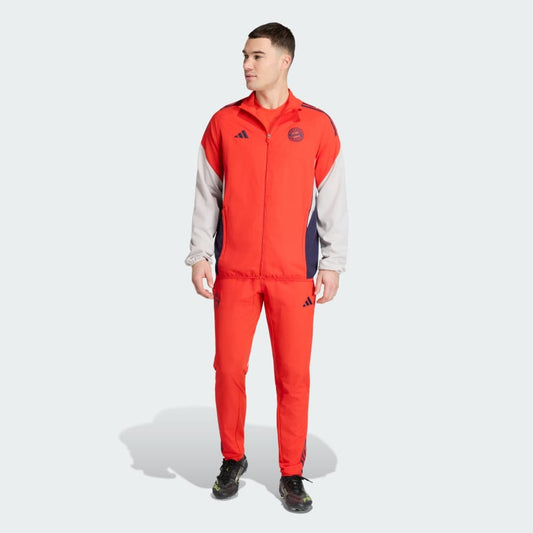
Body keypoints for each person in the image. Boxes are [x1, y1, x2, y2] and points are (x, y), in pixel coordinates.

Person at [185, 22, 348, 513]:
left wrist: (333, 261)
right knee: (228, 370)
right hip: (234, 272)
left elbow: (333, 198)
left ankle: (292, 472)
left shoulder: (316, 125)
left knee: (293, 376)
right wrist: (199, 253)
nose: (247, 65)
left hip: (294, 274)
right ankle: (232, 458)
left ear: (284, 60)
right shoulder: (223, 122)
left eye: (256, 56)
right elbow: (207, 193)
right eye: (244, 56)